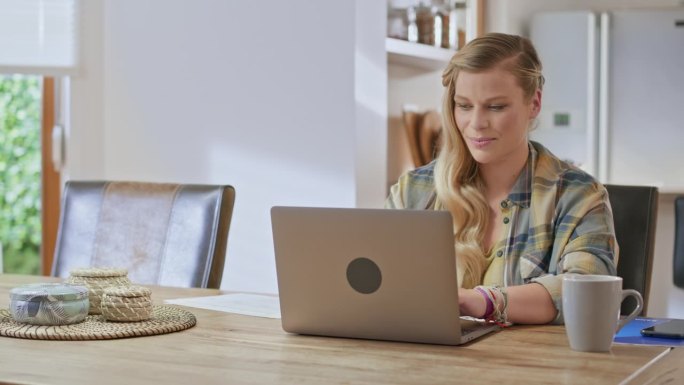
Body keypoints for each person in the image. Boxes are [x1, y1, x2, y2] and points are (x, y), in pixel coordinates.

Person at [385, 33, 618, 325]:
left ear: (534, 103)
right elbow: (379, 284)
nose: (477, 123)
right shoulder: (413, 191)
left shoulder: (577, 196)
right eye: (465, 106)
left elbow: (588, 290)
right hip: (424, 365)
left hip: (532, 368)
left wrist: (485, 302)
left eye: (495, 107)